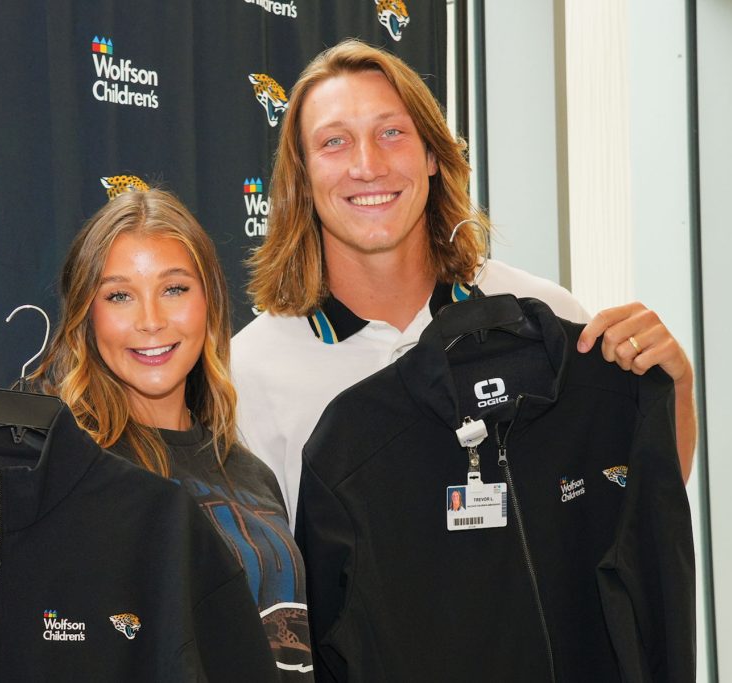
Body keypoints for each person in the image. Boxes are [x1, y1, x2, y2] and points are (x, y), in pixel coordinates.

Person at [232, 39, 696, 524]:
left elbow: (640, 501)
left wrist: (678, 385)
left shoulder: (543, 314)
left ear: (433, 155)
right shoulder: (249, 373)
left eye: (391, 132)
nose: (367, 166)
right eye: (334, 142)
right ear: (303, 176)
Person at [0, 189, 312, 678]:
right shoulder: (50, 465)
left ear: (210, 299)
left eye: (174, 289)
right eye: (119, 295)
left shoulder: (252, 474)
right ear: (88, 314)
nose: (151, 321)